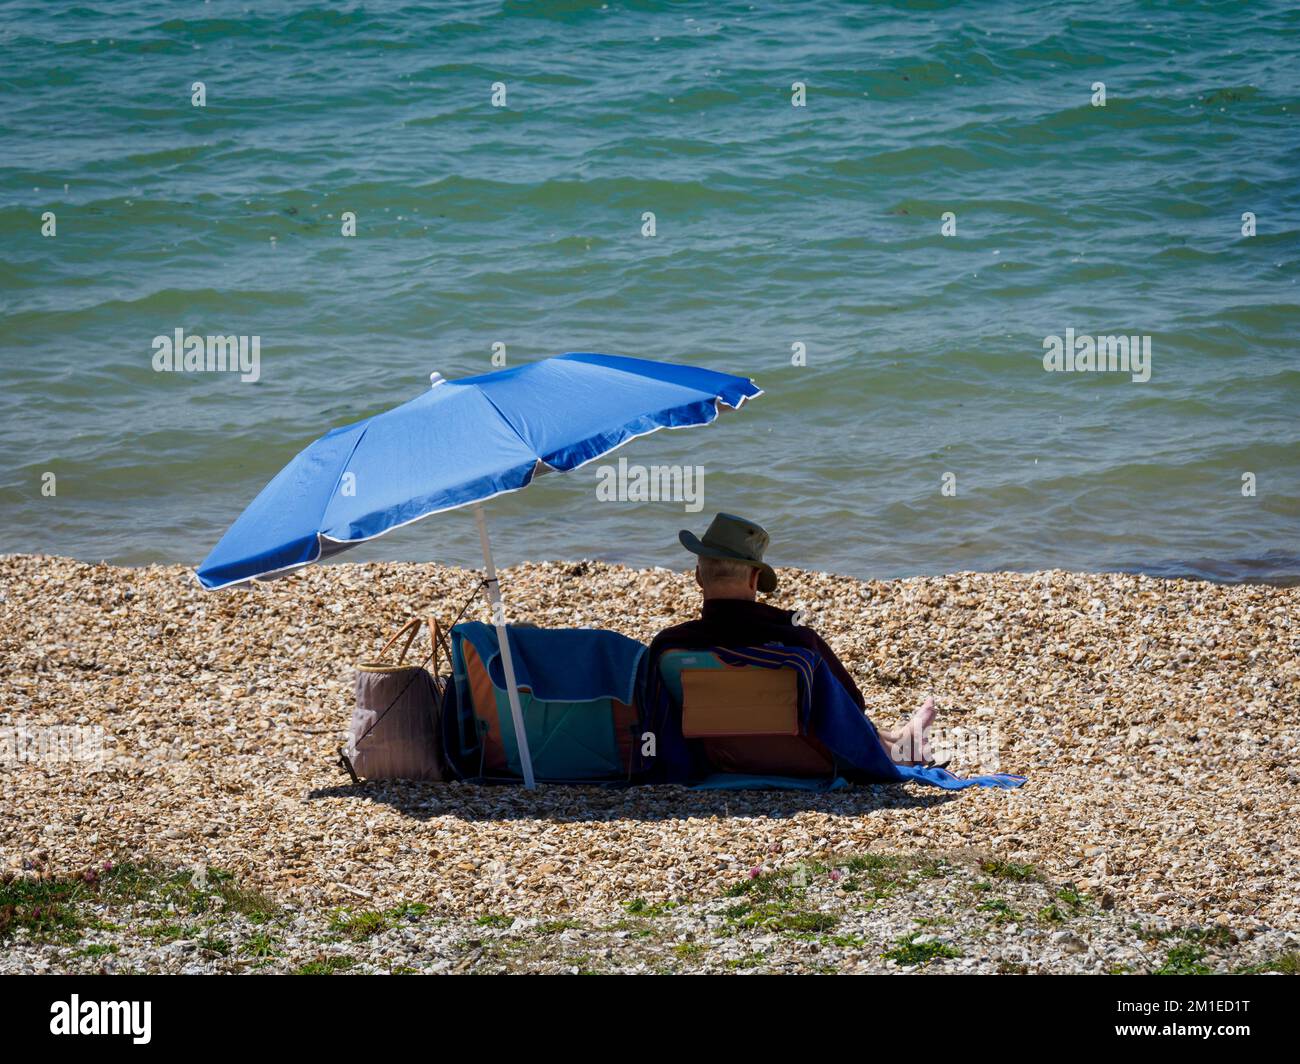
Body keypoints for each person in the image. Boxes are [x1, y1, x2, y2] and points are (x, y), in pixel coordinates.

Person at [645, 513, 939, 766]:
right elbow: (851, 705)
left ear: (698, 577)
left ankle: (899, 738)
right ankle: (899, 747)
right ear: (754, 581)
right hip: (804, 759)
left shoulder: (669, 645)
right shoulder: (798, 644)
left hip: (715, 758)